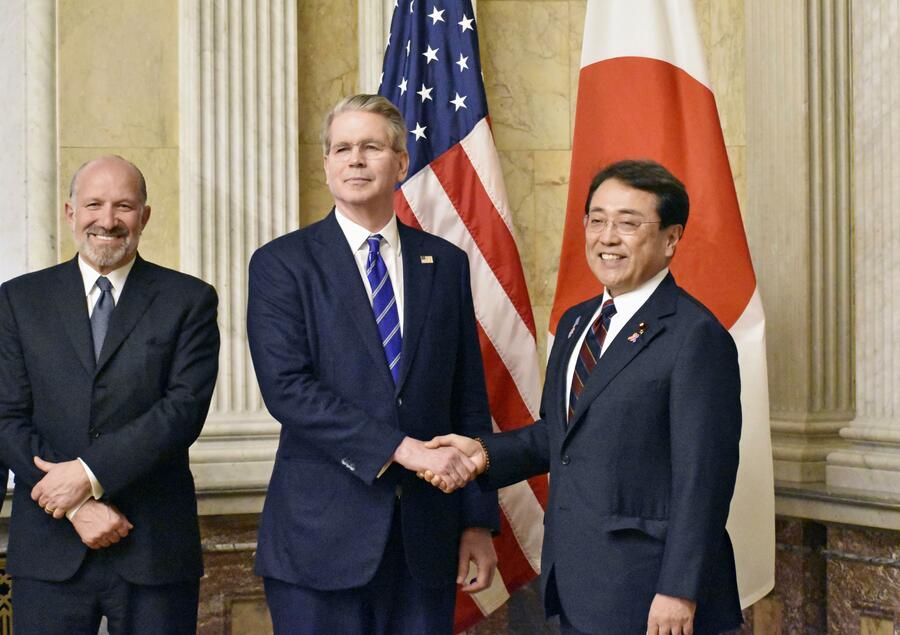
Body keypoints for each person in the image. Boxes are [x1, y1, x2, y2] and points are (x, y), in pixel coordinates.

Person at [424, 160, 744, 635]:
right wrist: (483, 454)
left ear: (671, 238)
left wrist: (679, 590)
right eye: (597, 220)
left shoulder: (695, 335)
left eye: (628, 223)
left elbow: (705, 479)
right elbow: (561, 434)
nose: (607, 237)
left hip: (651, 594)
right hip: (577, 583)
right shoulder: (577, 322)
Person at [247, 94, 499, 635]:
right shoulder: (282, 264)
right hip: (319, 543)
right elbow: (288, 389)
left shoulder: (445, 263)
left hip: (426, 543)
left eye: (371, 147)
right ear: (326, 165)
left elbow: (468, 398)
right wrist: (401, 448)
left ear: (401, 163)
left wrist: (478, 521)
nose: (356, 159)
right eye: (342, 149)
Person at [0, 155, 220, 634]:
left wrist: (87, 473)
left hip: (154, 548)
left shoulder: (189, 300)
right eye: (94, 204)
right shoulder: (18, 300)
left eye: (123, 206)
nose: (108, 219)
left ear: (144, 216)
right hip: (50, 548)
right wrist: (77, 504)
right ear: (70, 213)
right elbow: (7, 418)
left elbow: (181, 412)